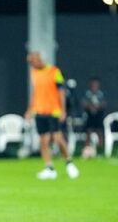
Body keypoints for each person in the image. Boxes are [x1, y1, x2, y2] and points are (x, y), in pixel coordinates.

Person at [24, 51, 80, 180]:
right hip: (39, 111)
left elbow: (61, 91)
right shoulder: (34, 73)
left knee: (57, 138)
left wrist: (63, 110)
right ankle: (49, 168)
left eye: (32, 61)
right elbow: (35, 92)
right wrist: (30, 109)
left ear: (38, 58)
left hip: (54, 110)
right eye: (29, 62)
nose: (31, 64)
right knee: (43, 140)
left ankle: (69, 163)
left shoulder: (55, 71)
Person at [81, 77, 106, 156]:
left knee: (100, 132)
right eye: (93, 84)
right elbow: (83, 103)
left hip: (99, 116)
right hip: (89, 116)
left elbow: (104, 103)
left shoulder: (101, 94)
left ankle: (100, 150)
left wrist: (97, 107)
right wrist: (90, 107)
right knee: (88, 132)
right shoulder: (87, 94)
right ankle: (86, 150)